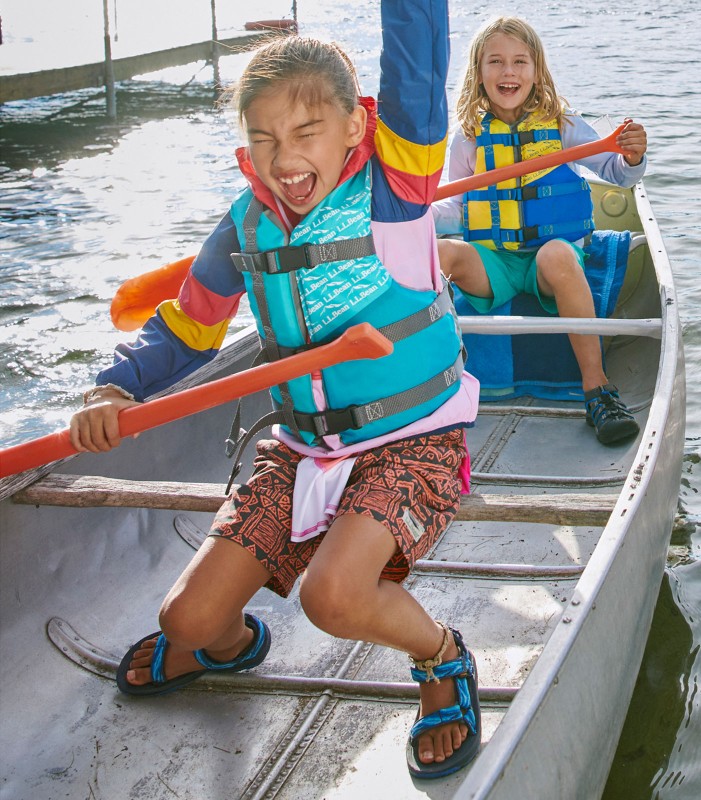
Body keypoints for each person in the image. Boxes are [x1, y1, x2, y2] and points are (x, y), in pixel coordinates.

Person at [69, 0, 481, 780]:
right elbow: (186, 327)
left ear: (357, 128)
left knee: (335, 597)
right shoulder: (244, 227)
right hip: (302, 452)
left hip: (414, 442)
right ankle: (234, 645)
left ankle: (443, 657)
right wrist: (114, 387)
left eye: (304, 133)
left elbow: (418, 64)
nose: (283, 159)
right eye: (262, 139)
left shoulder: (397, 192)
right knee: (185, 621)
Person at [434, 16, 648, 445]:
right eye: (495, 61)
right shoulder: (468, 139)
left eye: (519, 61)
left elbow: (618, 174)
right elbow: (456, 205)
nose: (508, 71)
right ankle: (428, 385)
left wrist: (630, 157)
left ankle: (598, 390)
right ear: (478, 72)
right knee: (439, 253)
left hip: (549, 262)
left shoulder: (562, 124)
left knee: (557, 254)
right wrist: (412, 219)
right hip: (494, 261)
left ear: (537, 71)